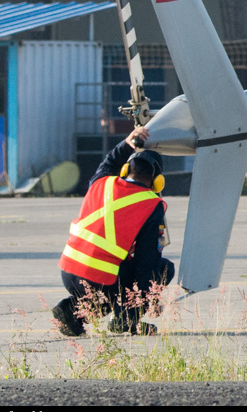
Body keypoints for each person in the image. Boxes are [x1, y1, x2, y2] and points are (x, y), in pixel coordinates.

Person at [51, 125, 173, 336]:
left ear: (126, 170)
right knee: (163, 269)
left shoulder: (101, 181)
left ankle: (71, 311)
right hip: (98, 279)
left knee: (116, 274)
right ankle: (126, 321)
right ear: (157, 182)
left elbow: (110, 161)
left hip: (68, 270)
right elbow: (148, 261)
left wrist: (128, 143)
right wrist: (147, 299)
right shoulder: (152, 206)